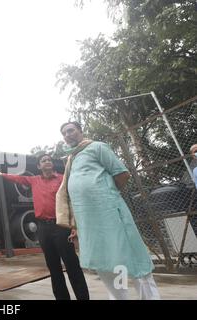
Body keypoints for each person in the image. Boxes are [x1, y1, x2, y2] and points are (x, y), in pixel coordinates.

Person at [56, 121, 160, 300]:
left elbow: (121, 174)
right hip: (87, 221)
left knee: (133, 258)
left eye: (71, 130)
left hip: (110, 213)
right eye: (64, 133)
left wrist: (106, 196)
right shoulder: (71, 159)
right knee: (106, 263)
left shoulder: (97, 147)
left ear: (81, 131)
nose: (68, 135)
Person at [0, 153, 89, 300]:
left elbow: (72, 201)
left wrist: (74, 226)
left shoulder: (63, 179)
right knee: (53, 267)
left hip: (61, 226)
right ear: (39, 166)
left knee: (72, 265)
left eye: (49, 160)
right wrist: (1, 174)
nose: (47, 162)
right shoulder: (34, 180)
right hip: (43, 228)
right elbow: (17, 178)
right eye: (44, 161)